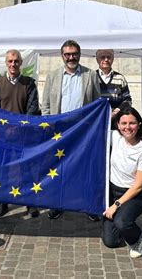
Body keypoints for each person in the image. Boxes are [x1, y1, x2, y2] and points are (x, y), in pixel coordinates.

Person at [41, 39, 101, 220]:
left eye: (74, 53)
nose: (71, 57)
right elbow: (46, 105)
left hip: (83, 132)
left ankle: (87, 205)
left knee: (84, 168)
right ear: (62, 56)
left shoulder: (90, 75)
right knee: (58, 169)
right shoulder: (52, 76)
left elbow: (97, 103)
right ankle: (57, 204)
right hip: (59, 132)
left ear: (79, 55)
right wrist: (49, 127)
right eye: (67, 54)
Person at [0, 49, 40, 218]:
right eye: (10, 61)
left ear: (21, 63)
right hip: (3, 137)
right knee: (3, 170)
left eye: (16, 61)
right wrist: (6, 128)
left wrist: (18, 126)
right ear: (6, 63)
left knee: (26, 170)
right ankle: (2, 202)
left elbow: (32, 109)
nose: (13, 64)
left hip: (23, 135)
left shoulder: (29, 83)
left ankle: (30, 202)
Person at [101, 106, 142, 258]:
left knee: (122, 223)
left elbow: (138, 186)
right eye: (123, 123)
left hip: (133, 195)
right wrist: (109, 116)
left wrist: (116, 205)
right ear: (117, 125)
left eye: (132, 123)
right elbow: (96, 127)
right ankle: (121, 222)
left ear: (139, 125)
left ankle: (138, 237)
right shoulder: (116, 137)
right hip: (112, 191)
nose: (127, 127)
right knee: (110, 242)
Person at [95, 49, 132, 120]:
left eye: (109, 57)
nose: (106, 59)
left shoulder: (120, 78)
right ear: (97, 59)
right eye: (102, 57)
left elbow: (127, 100)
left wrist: (116, 111)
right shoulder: (92, 77)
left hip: (116, 120)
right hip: (97, 119)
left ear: (113, 59)